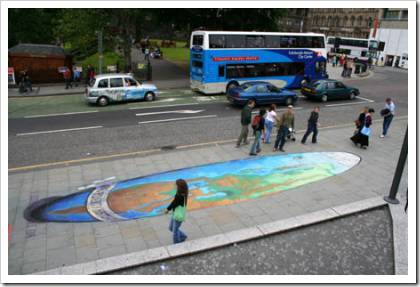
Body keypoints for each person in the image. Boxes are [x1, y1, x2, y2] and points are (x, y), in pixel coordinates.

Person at [164, 179, 189, 244]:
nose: (175, 186)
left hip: (178, 215)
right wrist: (170, 208)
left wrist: (168, 209)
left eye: (176, 185)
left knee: (175, 231)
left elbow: (175, 203)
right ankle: (183, 236)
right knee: (171, 228)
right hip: (175, 213)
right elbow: (175, 201)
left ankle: (176, 245)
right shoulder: (179, 193)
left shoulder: (181, 196)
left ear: (180, 186)